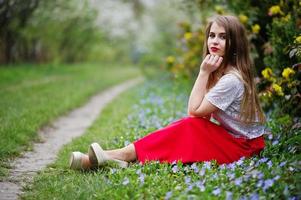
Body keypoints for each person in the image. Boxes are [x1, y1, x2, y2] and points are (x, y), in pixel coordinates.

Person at [69, 15, 266, 170]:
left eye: (223, 37)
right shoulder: (219, 72)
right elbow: (203, 117)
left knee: (189, 125)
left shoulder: (230, 80)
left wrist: (203, 72)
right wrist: (207, 74)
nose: (214, 41)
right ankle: (115, 156)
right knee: (186, 128)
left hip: (244, 149)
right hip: (234, 141)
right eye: (212, 35)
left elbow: (195, 112)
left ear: (235, 44)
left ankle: (118, 155)